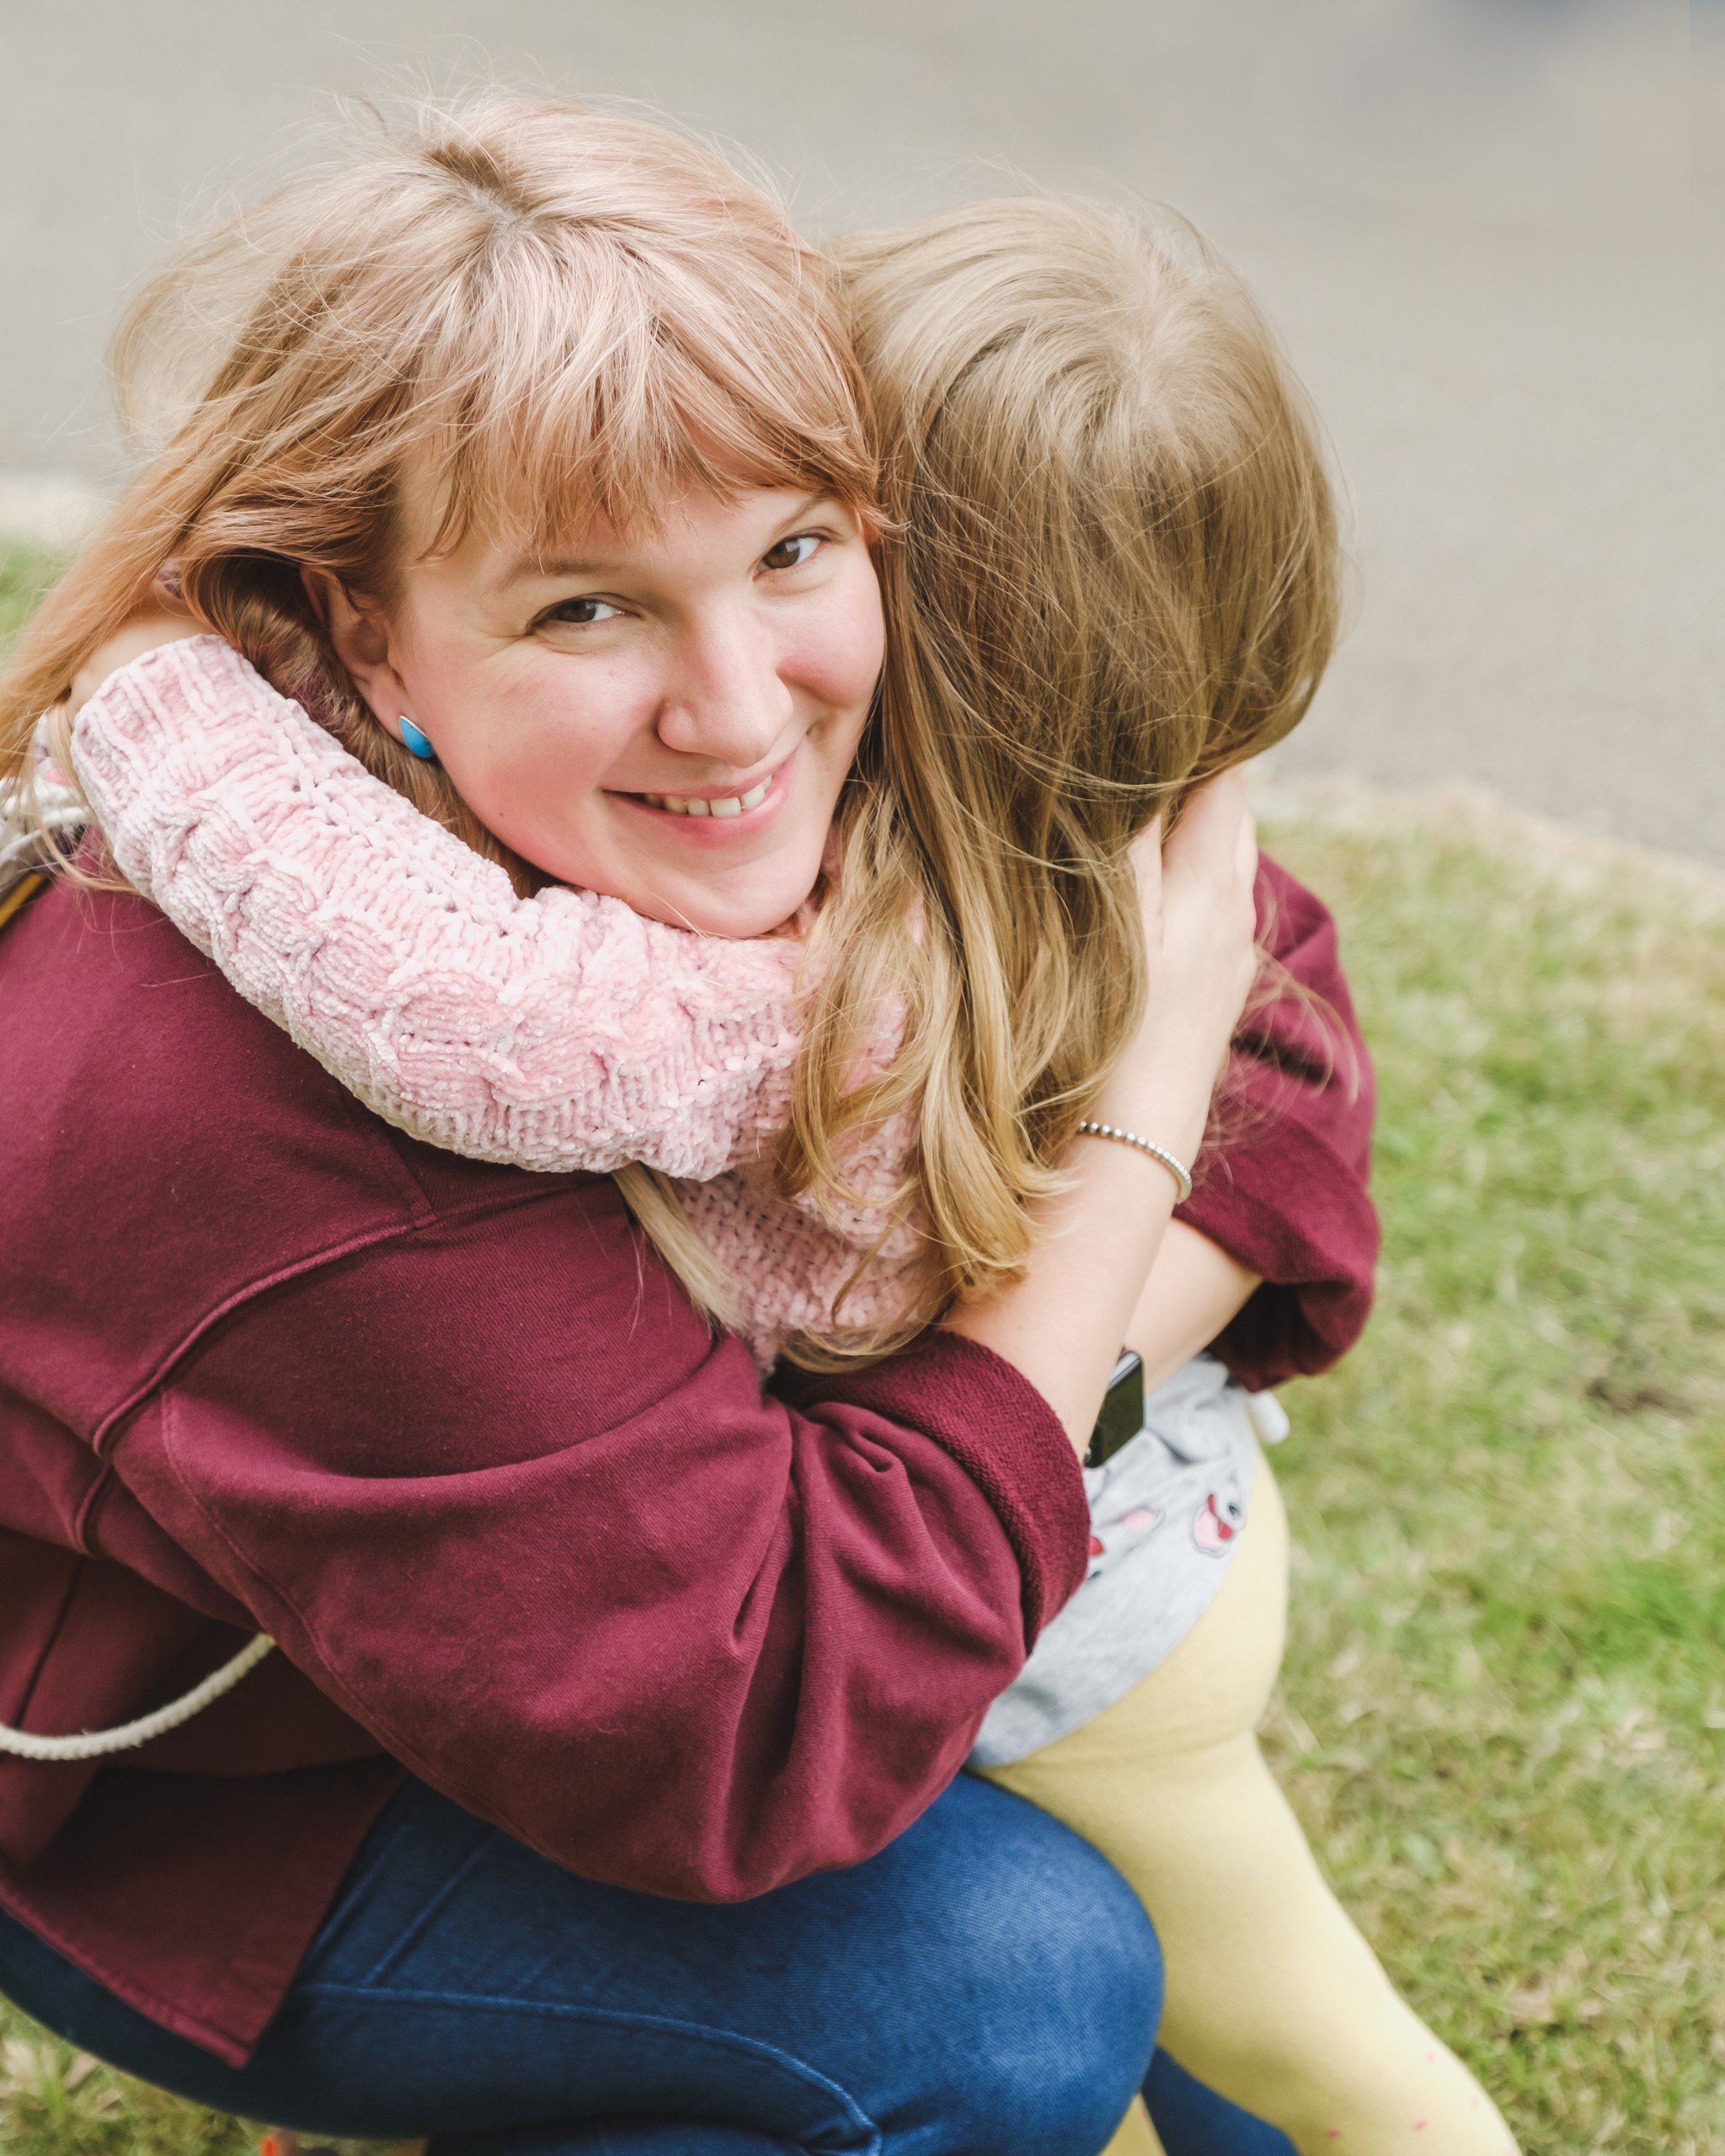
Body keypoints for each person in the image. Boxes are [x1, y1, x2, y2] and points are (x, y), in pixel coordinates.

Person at [61, 196, 1514, 2154]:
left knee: (1234, 2039)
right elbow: (749, 1720)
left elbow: (1268, 999)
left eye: (792, 552)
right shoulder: (358, 1089)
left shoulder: (860, 834)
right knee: (1006, 1982)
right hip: (216, 1796)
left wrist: (1072, 1285)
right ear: (353, 618)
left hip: (917, 1632)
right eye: (584, 604)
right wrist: (1117, 1147)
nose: (740, 709)